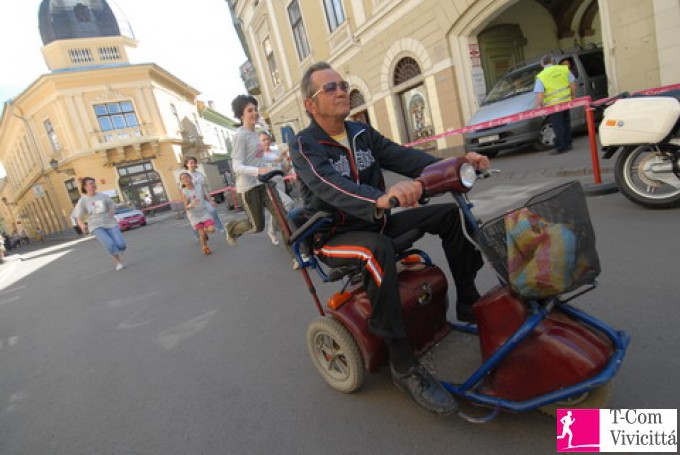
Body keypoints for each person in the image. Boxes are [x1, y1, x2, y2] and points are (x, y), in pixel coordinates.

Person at [289, 61, 490, 416]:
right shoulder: (305, 145)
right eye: (330, 88)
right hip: (334, 235)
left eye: (342, 84)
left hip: (375, 223)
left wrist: (458, 164)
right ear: (311, 104)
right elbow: (330, 185)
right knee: (377, 250)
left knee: (446, 214)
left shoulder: (361, 132)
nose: (341, 91)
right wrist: (379, 199)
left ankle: (467, 299)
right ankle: (402, 364)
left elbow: (406, 158)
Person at [224, 95, 289, 249]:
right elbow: (237, 166)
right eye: (250, 110)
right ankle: (232, 228)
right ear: (241, 115)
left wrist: (277, 159)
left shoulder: (255, 134)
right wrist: (258, 170)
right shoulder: (240, 135)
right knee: (257, 226)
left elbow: (260, 157)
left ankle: (296, 255)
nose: (255, 113)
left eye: (255, 109)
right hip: (249, 187)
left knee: (283, 218)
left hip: (265, 183)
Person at [74, 177, 126, 270]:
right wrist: (82, 226)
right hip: (95, 225)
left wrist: (112, 210)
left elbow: (112, 205)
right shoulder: (83, 200)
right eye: (90, 183)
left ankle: (118, 249)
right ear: (85, 187)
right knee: (109, 243)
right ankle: (118, 262)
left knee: (121, 245)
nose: (93, 185)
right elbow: (78, 216)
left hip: (109, 221)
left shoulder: (102, 196)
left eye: (94, 183)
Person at [534, 53, 577, 155]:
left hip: (553, 105)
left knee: (558, 125)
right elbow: (572, 84)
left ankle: (561, 147)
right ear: (553, 61)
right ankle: (568, 143)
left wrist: (538, 105)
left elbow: (540, 94)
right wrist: (573, 95)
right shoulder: (564, 69)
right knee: (566, 122)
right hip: (566, 101)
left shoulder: (541, 76)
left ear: (542, 64)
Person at [259, 131, 295, 246]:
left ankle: (272, 230)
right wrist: (280, 157)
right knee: (289, 203)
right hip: (269, 186)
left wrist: (287, 160)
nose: (266, 142)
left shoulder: (275, 152)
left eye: (267, 139)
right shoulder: (259, 156)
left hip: (280, 184)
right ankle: (282, 228)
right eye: (263, 140)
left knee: (277, 209)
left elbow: (285, 170)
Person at [181, 156, 225, 234]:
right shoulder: (186, 175)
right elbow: (183, 189)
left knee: (213, 210)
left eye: (194, 163)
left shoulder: (199, 174)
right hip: (193, 200)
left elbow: (204, 188)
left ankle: (219, 227)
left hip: (202, 197)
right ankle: (198, 234)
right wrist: (189, 203)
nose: (193, 164)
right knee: (195, 217)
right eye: (191, 163)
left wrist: (210, 200)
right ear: (186, 164)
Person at [179, 172, 216, 255]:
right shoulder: (184, 192)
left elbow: (205, 196)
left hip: (203, 211)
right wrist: (191, 205)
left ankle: (205, 230)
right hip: (194, 215)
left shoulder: (199, 186)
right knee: (201, 234)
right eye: (183, 179)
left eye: (187, 177)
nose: (185, 179)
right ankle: (205, 248)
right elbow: (185, 207)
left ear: (190, 178)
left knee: (212, 229)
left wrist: (211, 201)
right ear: (181, 181)